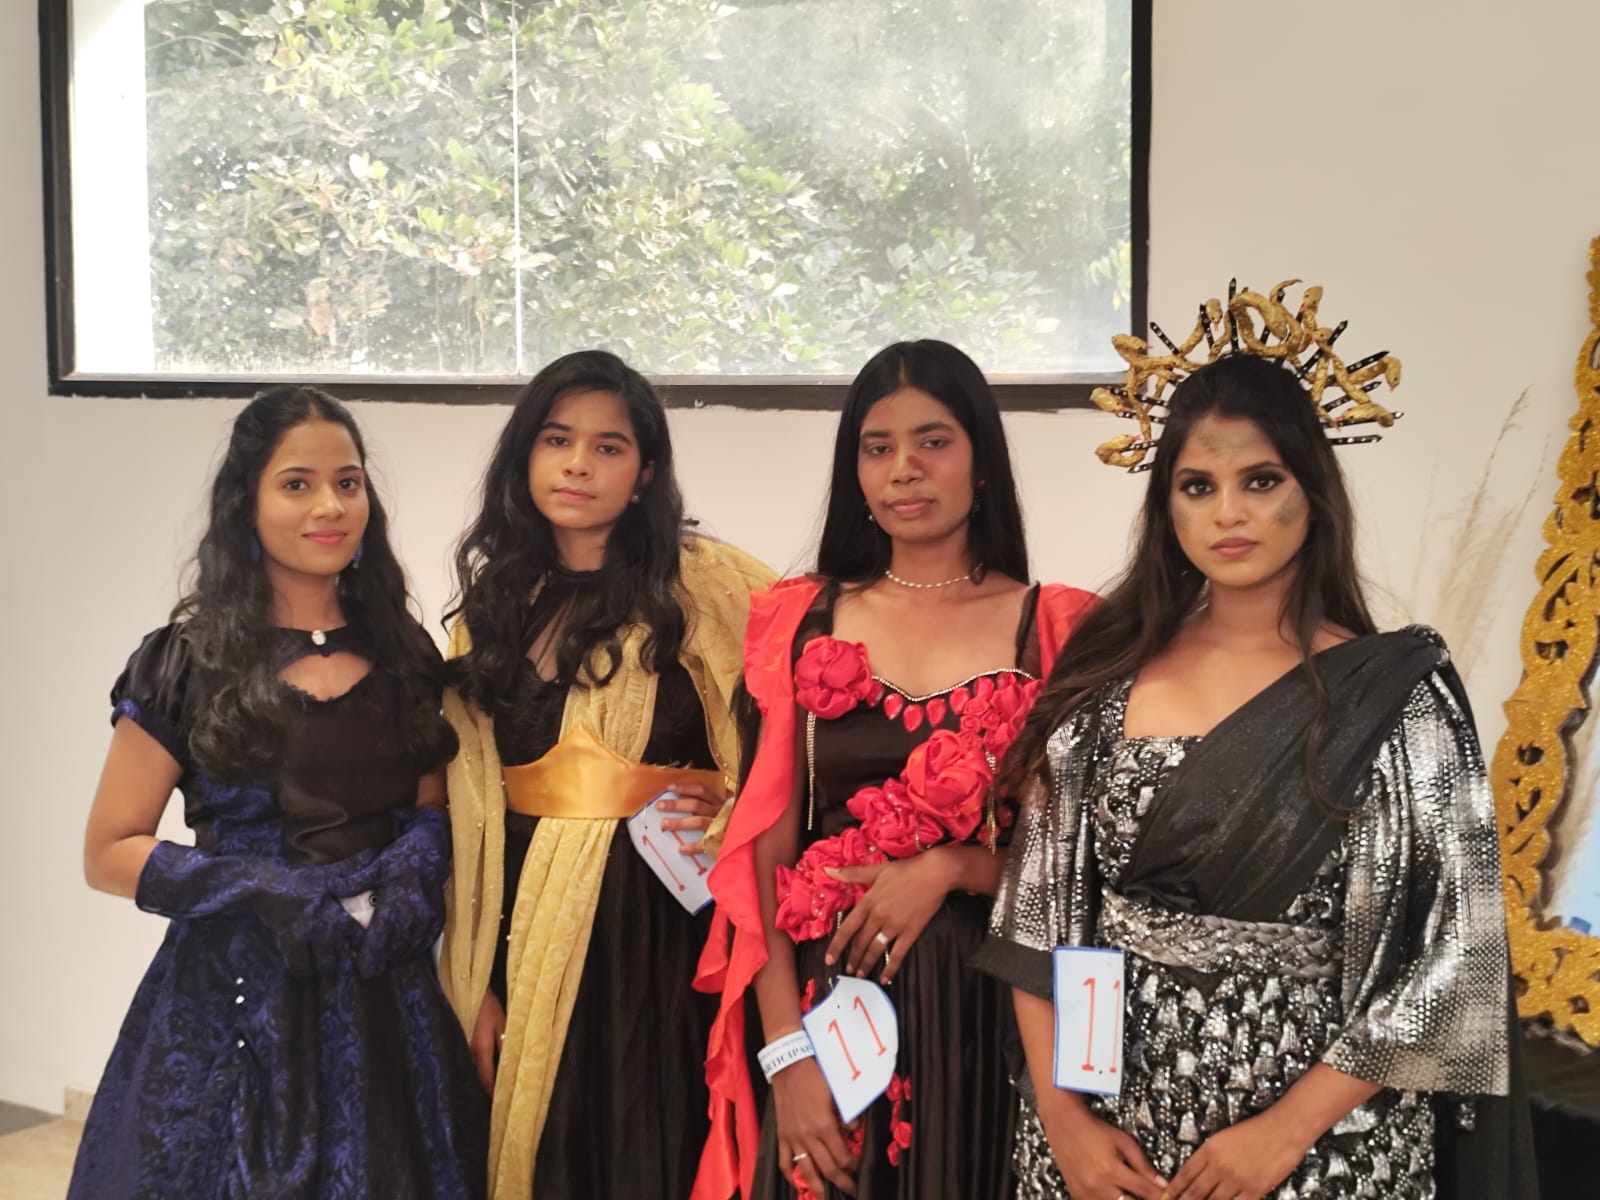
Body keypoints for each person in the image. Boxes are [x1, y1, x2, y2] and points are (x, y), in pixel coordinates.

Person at [981, 308, 1533, 1200]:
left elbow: (1455, 953)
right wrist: (1064, 1123)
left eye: (1261, 480)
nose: (1229, 513)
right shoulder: (1106, 683)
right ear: (1166, 506)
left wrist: (1285, 1133)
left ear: (1313, 491)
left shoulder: (1394, 696)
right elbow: (1037, 919)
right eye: (1198, 486)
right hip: (1110, 1137)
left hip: (1323, 1140)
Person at [695, 340, 1098, 1200]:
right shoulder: (801, 620)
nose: (904, 469)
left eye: (933, 441)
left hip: (990, 1015)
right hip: (825, 1015)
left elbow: (1085, 863)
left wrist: (954, 868)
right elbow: (765, 853)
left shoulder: (1056, 628)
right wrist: (785, 1057)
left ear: (981, 463)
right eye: (877, 448)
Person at [71, 386, 487, 1199]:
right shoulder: (183, 660)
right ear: (247, 504)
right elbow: (108, 851)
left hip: (384, 993)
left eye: (348, 482)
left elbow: (429, 807)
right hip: (231, 1000)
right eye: (297, 483)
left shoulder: (405, 652)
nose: (329, 505)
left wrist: (414, 868)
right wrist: (261, 888)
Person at [437, 349, 774, 1200]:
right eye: (557, 440)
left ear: (646, 471)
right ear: (526, 455)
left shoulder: (711, 589)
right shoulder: (493, 611)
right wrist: (472, 983)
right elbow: (467, 809)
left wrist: (731, 806)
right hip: (521, 929)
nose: (578, 464)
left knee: (653, 1142)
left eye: (609, 446)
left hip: (663, 934)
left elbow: (792, 742)